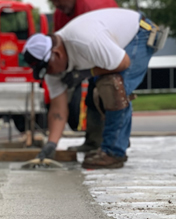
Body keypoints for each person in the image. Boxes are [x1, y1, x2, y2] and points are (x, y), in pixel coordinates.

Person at [23, 8, 158, 169]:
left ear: (57, 54)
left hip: (139, 33)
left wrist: (86, 72)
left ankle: (113, 152)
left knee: (114, 86)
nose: (49, 73)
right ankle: (99, 141)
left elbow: (123, 63)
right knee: (97, 92)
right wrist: (51, 144)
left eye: (47, 68)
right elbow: (58, 109)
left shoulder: (85, 41)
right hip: (110, 46)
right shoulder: (52, 68)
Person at [51, 0, 118, 153]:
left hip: (114, 49)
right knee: (91, 99)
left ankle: (114, 145)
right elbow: (59, 43)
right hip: (92, 54)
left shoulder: (92, 7)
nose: (57, 6)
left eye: (59, 1)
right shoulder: (60, 13)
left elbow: (102, 45)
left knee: (110, 93)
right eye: (53, 3)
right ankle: (94, 141)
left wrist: (84, 72)